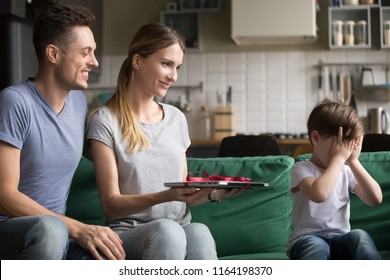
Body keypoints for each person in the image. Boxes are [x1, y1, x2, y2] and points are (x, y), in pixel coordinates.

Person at [85, 22, 245, 260]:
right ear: (138, 61)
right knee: (168, 231)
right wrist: (165, 196)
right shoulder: (105, 121)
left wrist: (212, 194)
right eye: (166, 64)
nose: (174, 76)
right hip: (129, 233)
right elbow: (110, 204)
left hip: (178, 226)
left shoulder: (176, 118)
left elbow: (181, 192)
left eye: (177, 67)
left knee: (199, 232)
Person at [0, 4, 125, 260]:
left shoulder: (79, 102)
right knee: (52, 229)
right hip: (11, 229)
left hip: (60, 236)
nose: (94, 61)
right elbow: (4, 196)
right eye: (85, 53)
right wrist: (77, 228)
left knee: (114, 253)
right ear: (53, 54)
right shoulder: (15, 102)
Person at [285, 100, 383, 260]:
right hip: (307, 240)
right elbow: (319, 194)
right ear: (316, 138)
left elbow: (375, 199)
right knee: (317, 246)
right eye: (339, 146)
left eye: (348, 146)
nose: (343, 153)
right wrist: (338, 158)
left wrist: (354, 161)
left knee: (359, 235)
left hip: (341, 240)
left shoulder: (346, 170)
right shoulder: (301, 169)